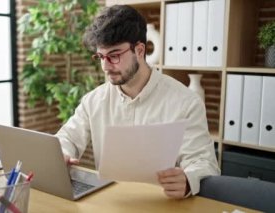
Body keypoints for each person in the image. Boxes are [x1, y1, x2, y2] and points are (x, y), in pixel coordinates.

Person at [55, 4, 220, 199]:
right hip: (110, 203)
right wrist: (63, 153)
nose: (106, 66)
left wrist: (187, 180)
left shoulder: (186, 102)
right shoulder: (94, 100)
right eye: (101, 56)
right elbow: (67, 138)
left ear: (140, 50)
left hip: (164, 203)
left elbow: (204, 163)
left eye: (114, 56)